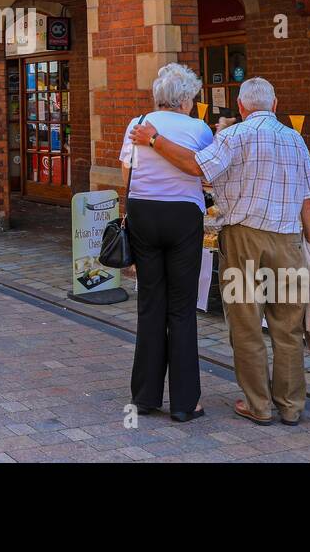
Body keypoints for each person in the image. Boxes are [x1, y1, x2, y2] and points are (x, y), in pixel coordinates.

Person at [130, 77, 310, 427]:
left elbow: (197, 168)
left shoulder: (233, 136)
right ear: (275, 105)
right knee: (289, 326)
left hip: (241, 239)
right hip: (288, 240)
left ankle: (258, 405)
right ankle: (291, 405)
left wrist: (155, 140)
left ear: (241, 106)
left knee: (246, 324)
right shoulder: (296, 139)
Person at [118, 64, 213, 423]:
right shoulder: (198, 128)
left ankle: (144, 396)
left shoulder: (137, 122)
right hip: (182, 215)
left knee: (150, 302)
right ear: (186, 98)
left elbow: (127, 172)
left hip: (144, 212)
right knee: (182, 307)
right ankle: (186, 402)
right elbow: (203, 170)